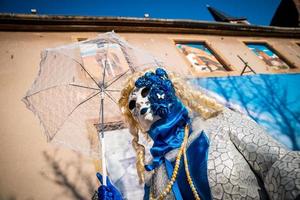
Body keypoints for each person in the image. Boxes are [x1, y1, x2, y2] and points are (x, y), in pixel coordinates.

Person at [96, 68, 300, 200]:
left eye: (145, 92)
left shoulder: (220, 122)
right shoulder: (156, 172)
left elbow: (278, 165)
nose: (139, 102)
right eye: (132, 104)